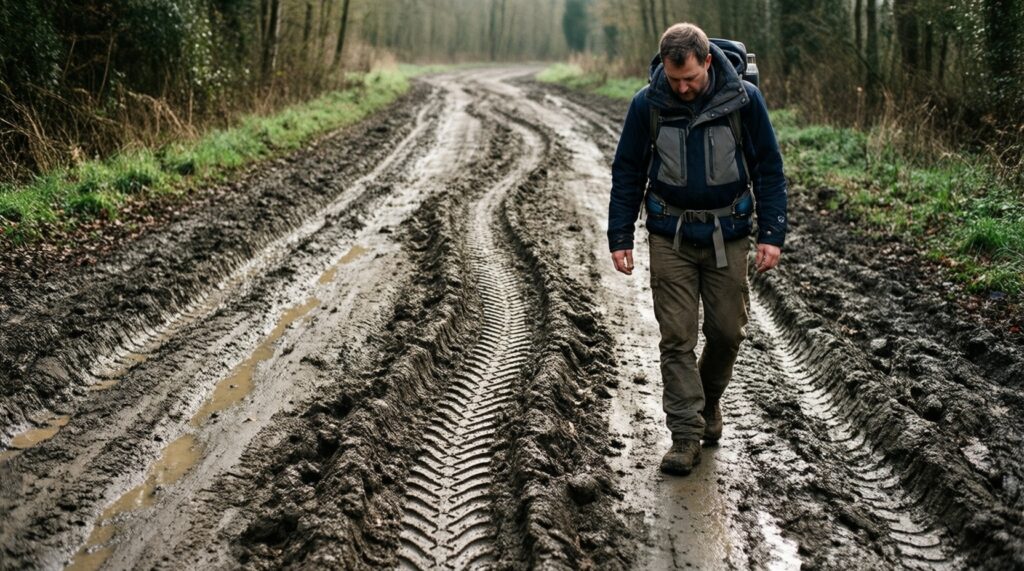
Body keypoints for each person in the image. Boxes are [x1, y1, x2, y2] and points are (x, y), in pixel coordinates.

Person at [608, 22, 787, 476]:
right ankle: (686, 435)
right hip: (670, 236)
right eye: (674, 80)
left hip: (729, 236)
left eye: (690, 78)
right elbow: (627, 171)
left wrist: (771, 233)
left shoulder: (745, 102)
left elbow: (768, 167)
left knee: (728, 333)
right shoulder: (647, 104)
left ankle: (708, 402)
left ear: (708, 61)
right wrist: (620, 236)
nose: (683, 89)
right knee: (677, 338)